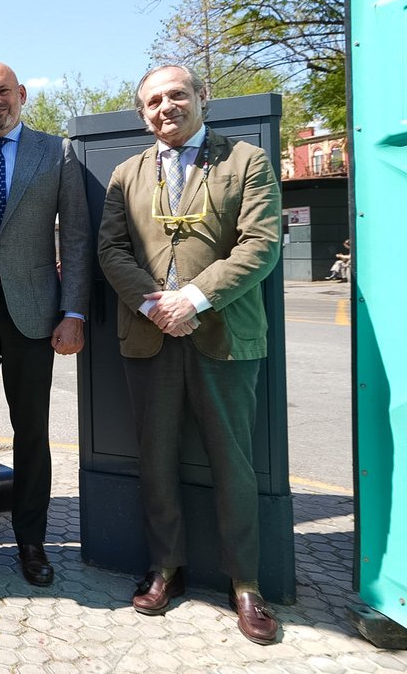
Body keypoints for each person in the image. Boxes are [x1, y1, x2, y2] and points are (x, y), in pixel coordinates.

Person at [98, 64, 282, 645]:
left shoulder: (246, 161)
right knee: (155, 458)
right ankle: (165, 569)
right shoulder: (125, 174)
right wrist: (154, 304)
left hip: (223, 335)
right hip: (150, 334)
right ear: (143, 113)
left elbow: (261, 243)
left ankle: (246, 585)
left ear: (203, 97)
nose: (166, 108)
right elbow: (111, 249)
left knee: (233, 462)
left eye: (178, 95)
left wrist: (195, 299)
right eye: (154, 101)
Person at [0, 62, 91, 584]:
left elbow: (74, 237)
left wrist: (73, 312)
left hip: (35, 315)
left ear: (22, 94)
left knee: (32, 434)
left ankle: (32, 540)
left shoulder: (57, 152)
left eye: (2, 91)